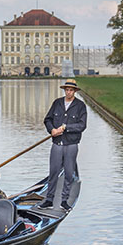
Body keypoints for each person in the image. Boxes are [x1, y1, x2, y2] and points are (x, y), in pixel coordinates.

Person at [38, 79, 87, 211]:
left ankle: (64, 200)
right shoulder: (57, 103)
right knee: (53, 172)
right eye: (66, 90)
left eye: (71, 90)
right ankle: (49, 200)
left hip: (71, 144)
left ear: (75, 91)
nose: (68, 92)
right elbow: (47, 119)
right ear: (64, 90)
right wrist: (52, 129)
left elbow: (82, 125)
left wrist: (66, 127)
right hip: (57, 144)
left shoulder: (80, 106)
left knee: (69, 173)